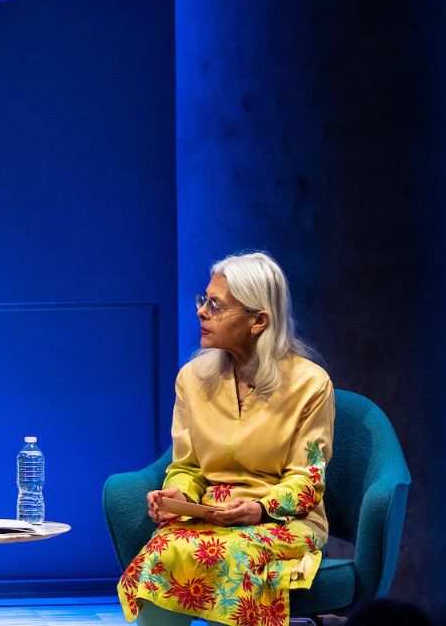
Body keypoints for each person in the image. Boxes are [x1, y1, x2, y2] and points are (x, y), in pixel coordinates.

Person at [119, 252, 334, 625]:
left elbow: (308, 478)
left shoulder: (310, 384)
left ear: (258, 320)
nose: (202, 312)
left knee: (230, 557)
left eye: (216, 306)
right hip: (211, 518)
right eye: (203, 300)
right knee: (164, 550)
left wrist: (259, 508)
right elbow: (186, 465)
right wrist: (179, 496)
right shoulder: (192, 379)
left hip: (282, 521)